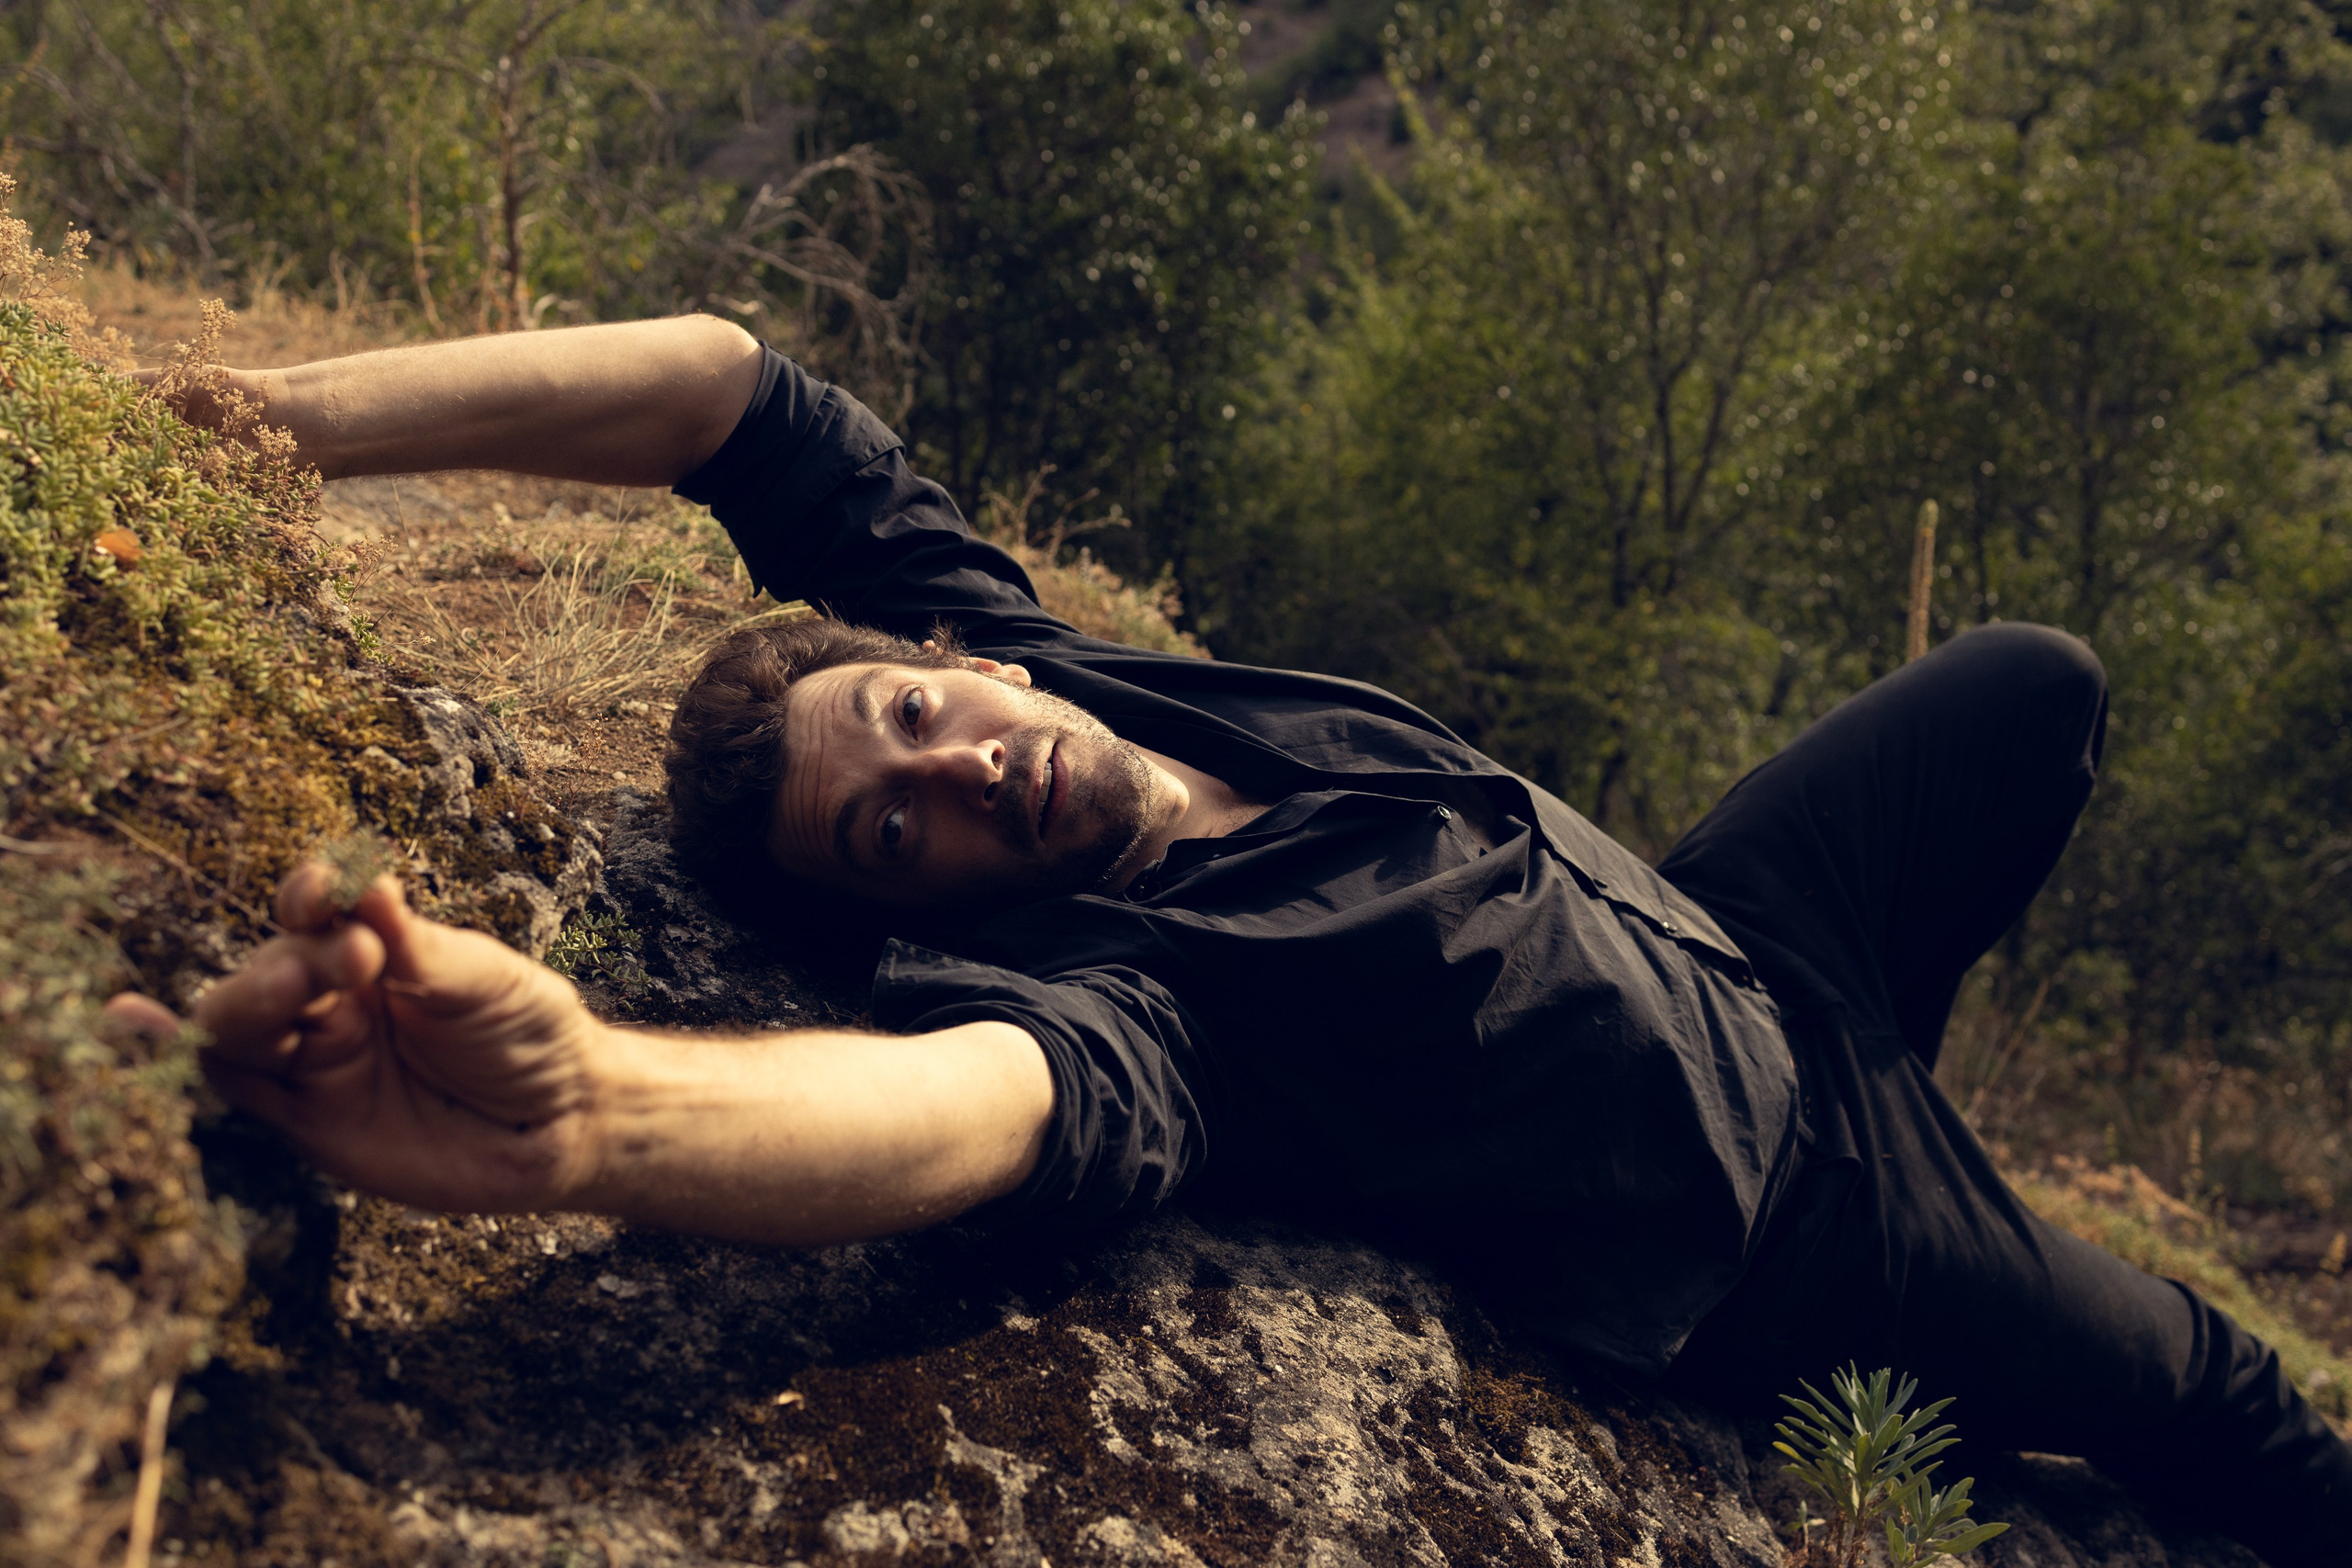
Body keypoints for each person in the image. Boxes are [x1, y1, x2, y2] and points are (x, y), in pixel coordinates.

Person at [111, 317, 2351, 1564]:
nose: (954, 775)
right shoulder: (1144, 992)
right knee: (2222, 1403)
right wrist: (599, 1108)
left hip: (1743, 935)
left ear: (948, 654)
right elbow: (970, 1111)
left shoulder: (1044, 666)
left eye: (912, 719)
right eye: (890, 835)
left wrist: (251, 428)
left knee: (2030, 685)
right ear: (918, 907)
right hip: (1797, 1210)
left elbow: (725, 389)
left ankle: (1907, 1070)